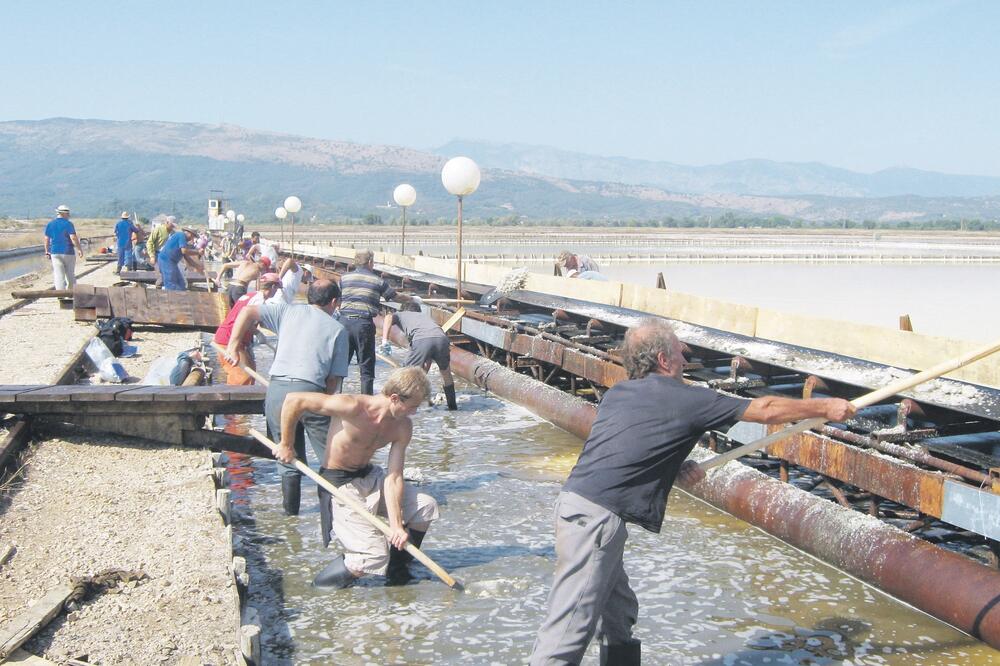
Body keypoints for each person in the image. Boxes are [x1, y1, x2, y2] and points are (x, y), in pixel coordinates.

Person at [529, 318, 856, 666]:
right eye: (679, 352)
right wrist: (825, 408)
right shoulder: (686, 398)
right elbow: (766, 409)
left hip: (578, 508)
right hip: (595, 522)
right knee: (567, 630)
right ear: (664, 360)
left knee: (619, 611)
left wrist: (672, 467)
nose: (685, 360)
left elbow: (628, 450)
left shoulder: (619, 394)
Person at [275, 366, 439, 588]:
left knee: (425, 507)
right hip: (338, 483)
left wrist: (396, 525)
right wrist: (286, 443)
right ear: (394, 398)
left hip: (370, 476)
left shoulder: (403, 426)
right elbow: (294, 400)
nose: (414, 413)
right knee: (374, 554)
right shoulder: (352, 406)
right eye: (412, 407)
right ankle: (318, 589)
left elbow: (394, 478)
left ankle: (396, 572)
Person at [223, 279, 349, 516]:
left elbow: (248, 311)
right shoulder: (338, 330)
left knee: (287, 457)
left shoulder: (287, 310)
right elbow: (332, 383)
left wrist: (232, 345)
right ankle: (335, 518)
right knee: (332, 460)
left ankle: (290, 518)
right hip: (311, 393)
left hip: (277, 392)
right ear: (334, 302)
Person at [338, 249, 411, 395]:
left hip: (343, 323)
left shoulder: (343, 278)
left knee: (339, 367)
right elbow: (395, 297)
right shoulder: (377, 281)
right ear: (370, 262)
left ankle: (335, 401)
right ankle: (367, 403)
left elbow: (339, 297)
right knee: (366, 369)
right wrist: (411, 299)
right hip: (363, 324)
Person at [381, 300, 458, 410]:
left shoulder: (402, 314)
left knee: (405, 374)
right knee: (446, 373)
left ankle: (397, 407)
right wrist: (422, 376)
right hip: (442, 338)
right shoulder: (424, 318)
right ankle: (453, 408)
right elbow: (428, 358)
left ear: (403, 309)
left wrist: (384, 341)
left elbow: (388, 317)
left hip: (422, 339)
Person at [213, 273, 281, 385]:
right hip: (228, 341)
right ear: (273, 287)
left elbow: (244, 320)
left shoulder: (250, 295)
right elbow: (243, 322)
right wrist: (258, 333)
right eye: (277, 288)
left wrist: (257, 332)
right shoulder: (259, 301)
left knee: (250, 370)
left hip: (230, 339)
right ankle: (236, 401)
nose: (277, 291)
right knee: (242, 378)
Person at [43, 204, 84, 290]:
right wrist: (79, 249)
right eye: (68, 214)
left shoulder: (50, 224)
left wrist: (47, 251)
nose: (69, 216)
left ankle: (61, 295)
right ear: (64, 214)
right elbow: (73, 237)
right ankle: (72, 293)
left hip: (55, 252)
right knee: (70, 274)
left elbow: (46, 239)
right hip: (68, 252)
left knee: (58, 275)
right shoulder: (68, 224)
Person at [157, 226, 205, 291]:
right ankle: (173, 298)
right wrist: (198, 252)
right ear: (190, 233)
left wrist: (197, 267)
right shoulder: (181, 235)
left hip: (172, 262)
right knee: (171, 283)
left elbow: (187, 257)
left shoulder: (183, 240)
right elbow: (184, 251)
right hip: (166, 260)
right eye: (193, 236)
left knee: (180, 283)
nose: (192, 239)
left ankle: (182, 296)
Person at [146, 216, 177, 286]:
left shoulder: (173, 233)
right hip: (158, 255)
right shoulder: (158, 229)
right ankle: (158, 291)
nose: (172, 227)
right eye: (171, 225)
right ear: (167, 222)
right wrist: (152, 256)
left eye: (173, 226)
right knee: (161, 277)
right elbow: (150, 242)